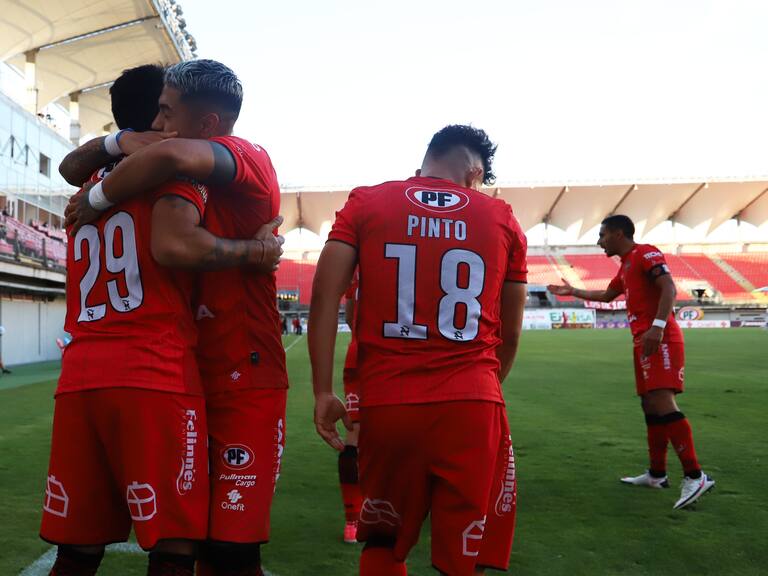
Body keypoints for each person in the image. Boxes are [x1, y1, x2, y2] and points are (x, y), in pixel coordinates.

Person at [44, 64, 281, 576]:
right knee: (177, 547)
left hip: (81, 371)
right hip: (157, 371)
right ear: (160, 117)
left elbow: (69, 165)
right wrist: (259, 251)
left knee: (76, 549)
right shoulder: (175, 172)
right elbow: (174, 244)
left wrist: (112, 156)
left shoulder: (90, 179)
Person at [309, 125, 527, 575]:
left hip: (390, 402)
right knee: (462, 554)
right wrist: (484, 385)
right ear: (474, 171)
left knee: (384, 540)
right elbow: (510, 329)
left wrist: (322, 389)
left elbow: (326, 298)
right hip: (472, 402)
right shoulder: (500, 216)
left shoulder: (367, 201)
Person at [548, 215, 714, 510]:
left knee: (663, 402)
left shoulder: (645, 253)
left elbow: (669, 288)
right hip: (643, 341)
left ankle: (695, 475)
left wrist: (658, 326)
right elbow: (607, 295)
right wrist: (572, 291)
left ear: (619, 232)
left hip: (659, 337)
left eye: (602, 234)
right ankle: (656, 474)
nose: (599, 241)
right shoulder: (625, 266)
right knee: (649, 404)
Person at [338, 275, 362, 543]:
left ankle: (353, 521)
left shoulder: (358, 258)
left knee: (355, 433)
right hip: (401, 352)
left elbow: (350, 316)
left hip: (360, 352)